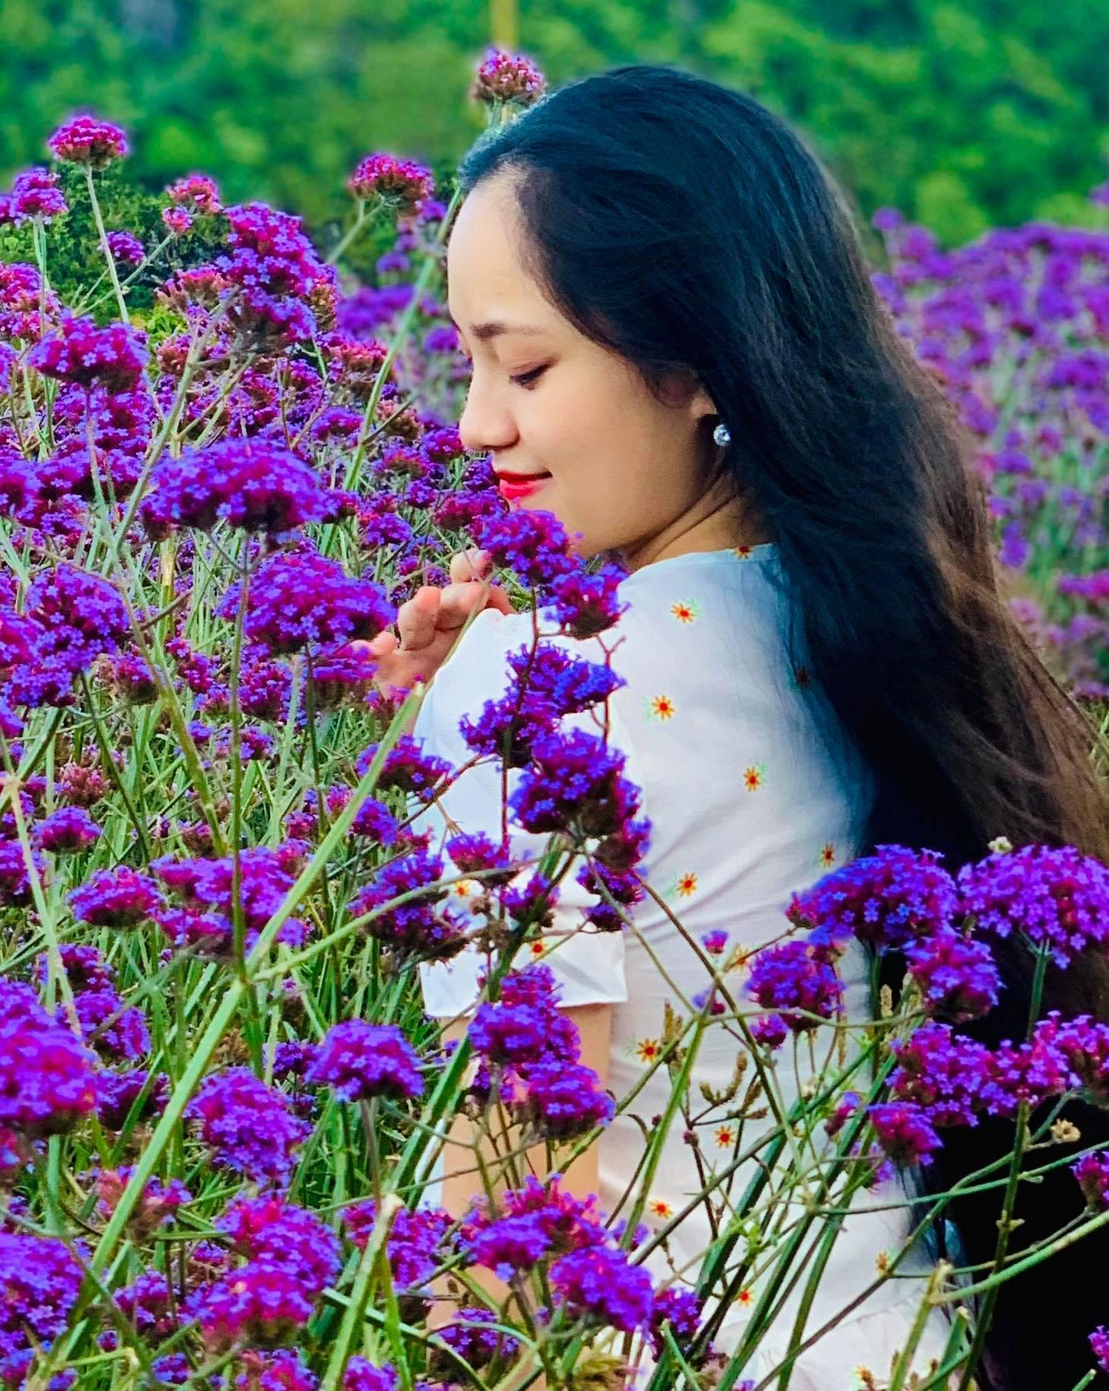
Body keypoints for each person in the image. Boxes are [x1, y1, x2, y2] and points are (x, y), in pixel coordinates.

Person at [357, 64, 1109, 1391]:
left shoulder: (533, 697)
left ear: (698, 360)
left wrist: (475, 735)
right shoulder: (864, 626)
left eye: (523, 365)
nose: (476, 424)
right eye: (467, 362)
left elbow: (517, 1254)